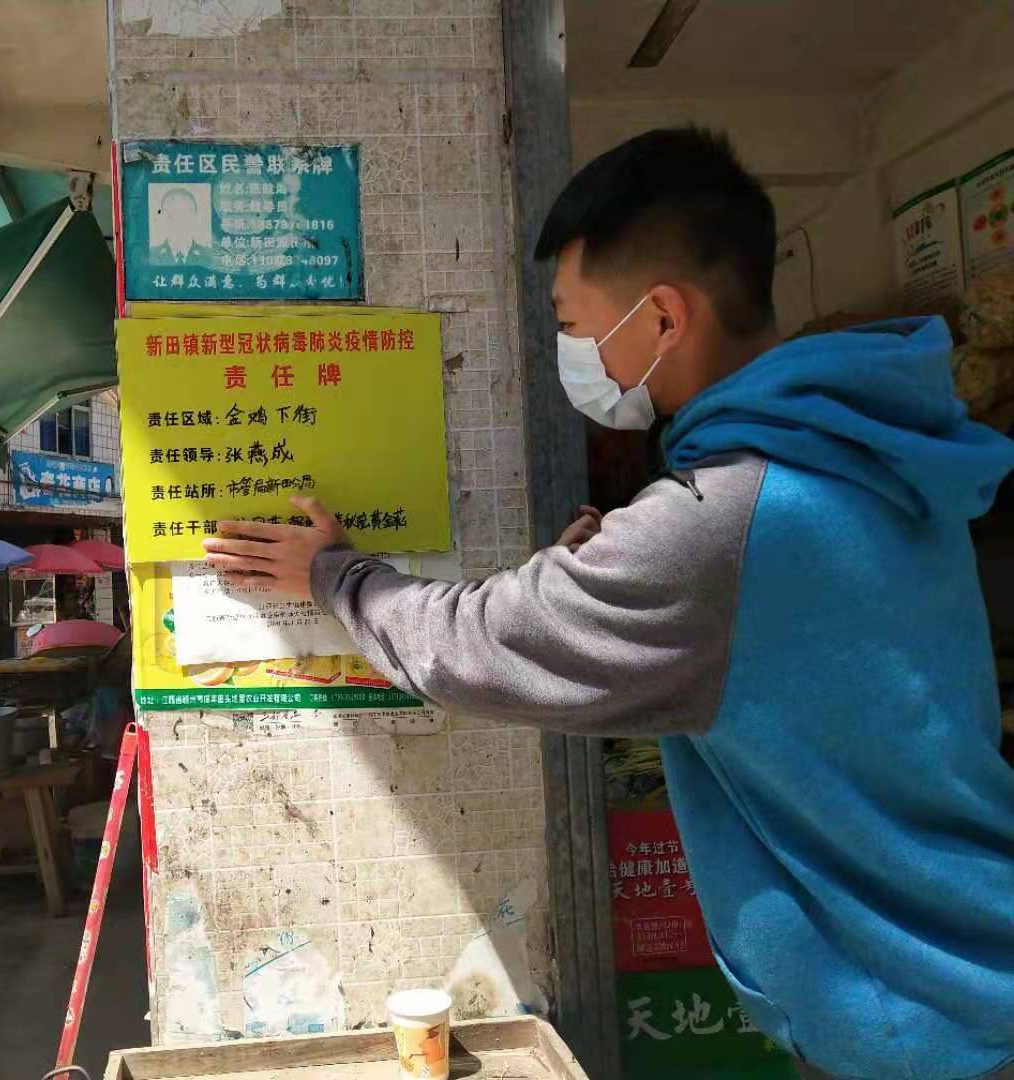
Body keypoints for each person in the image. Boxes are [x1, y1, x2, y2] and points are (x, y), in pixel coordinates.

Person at [203, 128, 1014, 1080]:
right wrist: (617, 572)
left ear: (663, 316)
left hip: (913, 1017)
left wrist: (334, 574)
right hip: (975, 954)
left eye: (574, 323)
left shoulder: (721, 519)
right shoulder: (871, 454)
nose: (572, 352)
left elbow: (480, 645)